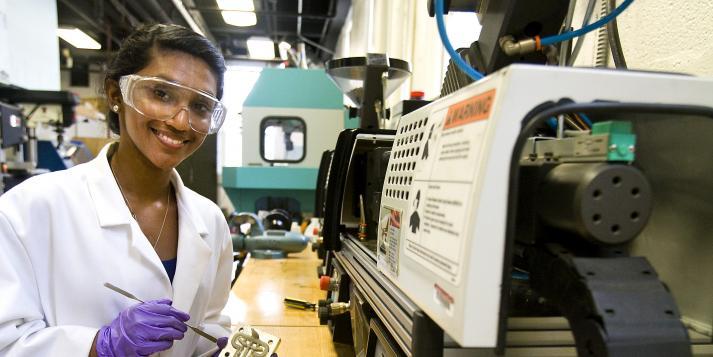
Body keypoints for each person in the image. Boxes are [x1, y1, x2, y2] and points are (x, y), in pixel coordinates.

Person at [0, 24, 234, 356]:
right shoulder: (26, 210)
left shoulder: (210, 221)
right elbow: (6, 341)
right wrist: (98, 346)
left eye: (200, 107)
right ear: (115, 94)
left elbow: (211, 326)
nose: (182, 122)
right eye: (161, 94)